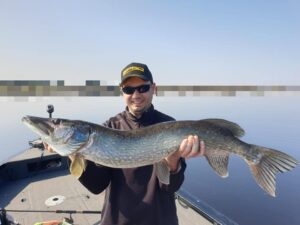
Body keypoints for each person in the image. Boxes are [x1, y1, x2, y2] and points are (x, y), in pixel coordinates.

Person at [45, 62, 205, 225]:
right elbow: (97, 185)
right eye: (129, 89)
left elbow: (170, 188)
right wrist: (72, 153)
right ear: (122, 92)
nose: (136, 95)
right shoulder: (109, 127)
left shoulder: (169, 126)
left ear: (154, 88)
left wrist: (172, 162)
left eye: (142, 88)